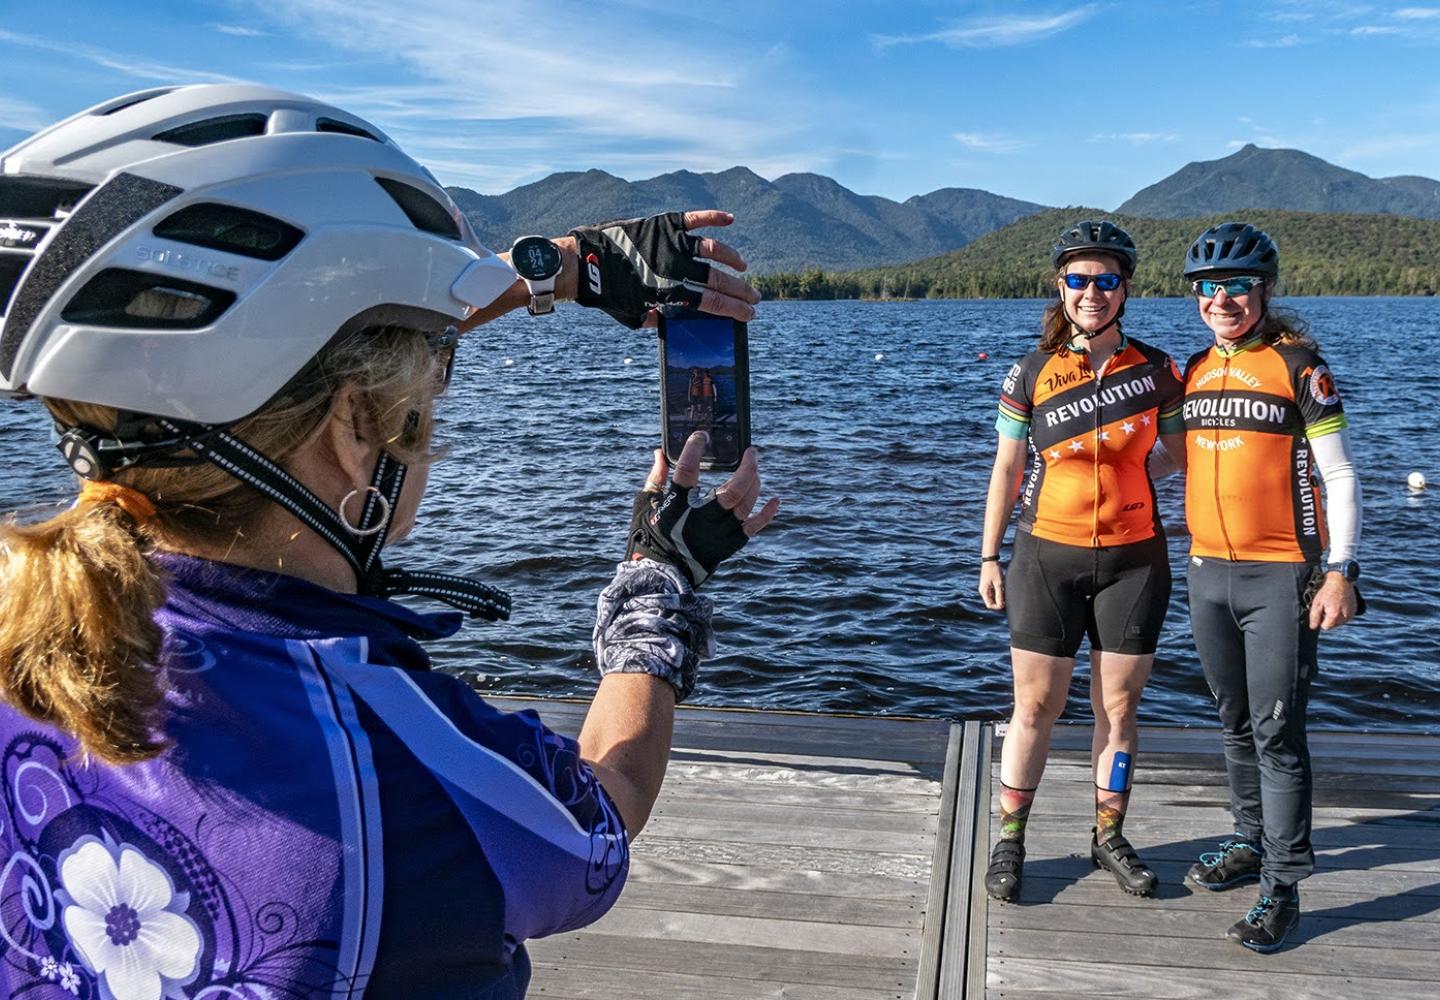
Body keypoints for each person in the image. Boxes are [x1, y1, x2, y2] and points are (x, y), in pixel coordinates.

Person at [0, 84, 776, 999]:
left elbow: (325, 367)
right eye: (427, 385)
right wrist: (661, 577)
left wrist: (555, 269)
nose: (430, 411)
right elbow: (600, 817)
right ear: (349, 429)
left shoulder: (29, 619)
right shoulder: (401, 766)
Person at [977, 221, 1185, 902]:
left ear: (1125, 288)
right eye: (1077, 279)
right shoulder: (1031, 371)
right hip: (1045, 556)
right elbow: (1007, 467)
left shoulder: (1158, 370)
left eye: (1105, 280)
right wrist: (989, 554)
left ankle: (1108, 836)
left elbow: (1183, 457)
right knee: (1033, 706)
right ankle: (1011, 841)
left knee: (1119, 710)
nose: (1091, 292)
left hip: (1135, 560)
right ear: (1059, 287)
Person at [1178, 222, 1361, 953]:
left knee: (1278, 733)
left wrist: (1341, 570)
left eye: (1238, 286)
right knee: (1233, 723)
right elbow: (1169, 464)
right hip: (1206, 571)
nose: (1223, 299)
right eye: (1209, 288)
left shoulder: (1299, 368)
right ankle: (1248, 841)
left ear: (1265, 290)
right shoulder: (1192, 370)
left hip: (1281, 573)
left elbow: (1340, 475)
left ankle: (1282, 888)